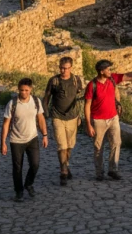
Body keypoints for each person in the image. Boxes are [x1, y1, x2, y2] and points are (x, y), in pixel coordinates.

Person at [84, 59, 132, 181]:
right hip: (98, 120)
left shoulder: (112, 79)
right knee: (98, 147)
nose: (110, 71)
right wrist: (88, 124)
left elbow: (127, 76)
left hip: (113, 118)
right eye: (108, 69)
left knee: (116, 143)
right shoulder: (92, 85)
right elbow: (87, 105)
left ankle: (113, 169)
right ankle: (99, 172)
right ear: (101, 71)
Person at [1, 78, 48, 201]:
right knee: (17, 168)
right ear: (18, 89)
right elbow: (6, 124)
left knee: (35, 164)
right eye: (21, 90)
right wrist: (3, 142)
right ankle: (19, 191)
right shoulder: (12, 103)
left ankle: (28, 183)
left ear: (31, 89)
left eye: (26, 90)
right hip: (16, 140)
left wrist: (45, 135)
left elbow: (41, 119)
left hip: (32, 138)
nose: (24, 93)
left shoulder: (36, 101)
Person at [42, 56, 85, 186]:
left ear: (71, 68)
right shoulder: (54, 81)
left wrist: (81, 115)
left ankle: (66, 164)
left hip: (72, 117)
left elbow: (80, 96)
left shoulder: (76, 80)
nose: (63, 70)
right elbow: (46, 97)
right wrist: (45, 112)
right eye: (61, 68)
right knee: (62, 145)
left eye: (66, 68)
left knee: (70, 146)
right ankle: (63, 171)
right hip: (57, 116)